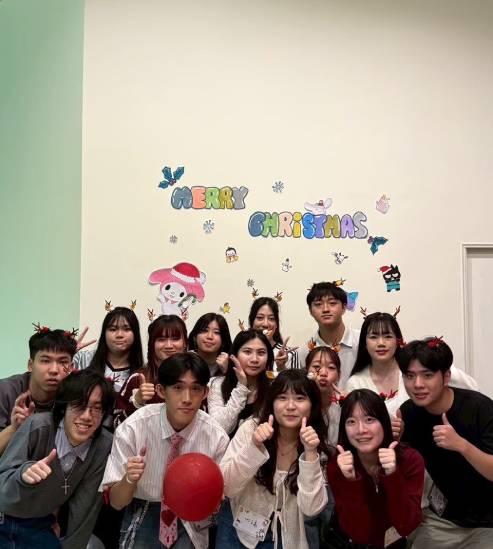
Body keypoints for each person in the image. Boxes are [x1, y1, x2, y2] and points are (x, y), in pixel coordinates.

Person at [101, 352, 229, 549]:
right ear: (161, 390)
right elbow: (116, 503)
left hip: (192, 515)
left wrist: (215, 498)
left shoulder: (216, 437)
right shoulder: (133, 427)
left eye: (196, 388)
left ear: (206, 393)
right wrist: (129, 479)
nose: (187, 399)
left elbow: (217, 504)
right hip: (143, 509)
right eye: (178, 388)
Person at [0, 369, 115, 549]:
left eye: (96, 408)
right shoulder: (38, 426)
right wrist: (23, 474)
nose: (87, 416)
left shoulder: (103, 445)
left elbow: (85, 509)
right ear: (64, 407)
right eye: (79, 405)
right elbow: (2, 482)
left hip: (40, 525)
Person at [216, 369, 330, 549]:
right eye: (282, 397)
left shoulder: (315, 444)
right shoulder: (250, 428)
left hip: (287, 535)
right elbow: (226, 487)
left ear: (312, 405)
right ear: (272, 402)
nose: (290, 406)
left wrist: (310, 454)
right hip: (238, 529)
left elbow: (311, 509)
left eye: (300, 398)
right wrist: (254, 446)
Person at [398, 338, 493, 548]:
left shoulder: (480, 408)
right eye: (410, 376)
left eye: (427, 375)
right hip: (443, 520)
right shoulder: (408, 413)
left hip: (488, 522)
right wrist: (394, 441)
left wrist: (461, 445)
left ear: (446, 376)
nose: (417, 384)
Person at [327, 389, 424, 548]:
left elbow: (407, 525)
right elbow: (359, 533)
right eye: (351, 422)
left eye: (369, 419)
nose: (361, 430)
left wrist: (392, 475)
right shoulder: (338, 466)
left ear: (384, 421)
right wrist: (351, 481)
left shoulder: (409, 460)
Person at [0, 327, 77, 456]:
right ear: (30, 365)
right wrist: (14, 428)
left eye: (63, 362)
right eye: (45, 361)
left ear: (71, 367)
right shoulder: (5, 390)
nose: (54, 370)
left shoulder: (72, 397)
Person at [115, 314, 187, 424]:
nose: (169, 345)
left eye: (175, 339)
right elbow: (116, 424)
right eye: (161, 339)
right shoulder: (138, 379)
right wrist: (136, 402)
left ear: (185, 342)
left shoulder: (195, 377)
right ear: (152, 344)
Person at [207, 329, 273, 436]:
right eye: (247, 352)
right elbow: (219, 429)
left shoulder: (273, 388)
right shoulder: (217, 384)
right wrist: (241, 387)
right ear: (234, 355)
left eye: (261, 353)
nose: (254, 359)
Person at [296, 282, 359, 386]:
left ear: (344, 307)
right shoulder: (305, 351)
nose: (325, 309)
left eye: (332, 303)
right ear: (310, 310)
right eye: (318, 304)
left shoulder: (362, 341)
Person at [74, 307, 144, 392]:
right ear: (104, 334)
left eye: (127, 329)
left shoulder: (141, 374)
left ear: (135, 334)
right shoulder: (83, 359)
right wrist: (70, 352)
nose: (119, 335)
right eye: (113, 329)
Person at [248, 297, 299, 371]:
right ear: (252, 321)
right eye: (260, 317)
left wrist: (281, 367)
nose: (265, 324)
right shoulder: (242, 350)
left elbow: (295, 379)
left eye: (271, 318)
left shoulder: (289, 354)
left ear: (276, 324)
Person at [306, 346, 342, 445]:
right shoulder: (300, 404)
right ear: (306, 371)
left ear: (339, 375)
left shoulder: (344, 406)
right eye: (316, 366)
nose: (323, 373)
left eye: (331, 367)